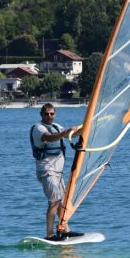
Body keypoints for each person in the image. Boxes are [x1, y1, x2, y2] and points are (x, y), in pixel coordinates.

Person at [30, 103, 82, 241]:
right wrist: (65, 132)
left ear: (55, 114)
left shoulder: (57, 126)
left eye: (52, 114)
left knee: (62, 202)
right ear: (41, 114)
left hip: (58, 173)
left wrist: (84, 129)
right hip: (46, 170)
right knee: (54, 201)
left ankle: (65, 230)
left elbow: (71, 134)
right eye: (46, 114)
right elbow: (50, 138)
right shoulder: (38, 128)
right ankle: (49, 234)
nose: (49, 116)